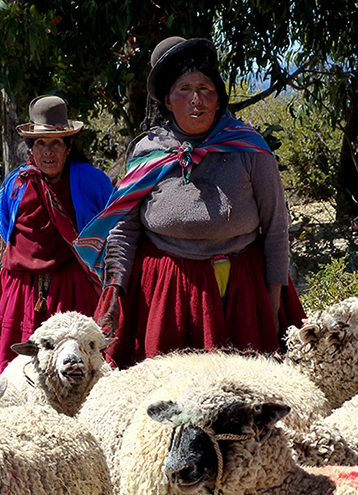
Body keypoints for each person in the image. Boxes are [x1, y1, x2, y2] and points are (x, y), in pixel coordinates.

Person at [75, 37, 305, 368]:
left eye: (205, 88)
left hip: (241, 287)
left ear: (218, 98)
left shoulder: (249, 148)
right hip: (167, 290)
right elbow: (125, 230)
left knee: (245, 388)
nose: (196, 99)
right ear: (168, 100)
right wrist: (115, 292)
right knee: (165, 390)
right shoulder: (148, 153)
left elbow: (275, 229)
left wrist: (272, 300)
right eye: (184, 89)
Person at [0, 95, 113, 377]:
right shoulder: (16, 185)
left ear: (69, 147)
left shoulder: (92, 182)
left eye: (56, 142)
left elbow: (111, 228)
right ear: (31, 148)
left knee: (76, 367)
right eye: (40, 143)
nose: (48, 151)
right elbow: (8, 229)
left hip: (72, 286)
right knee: (17, 370)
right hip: (20, 289)